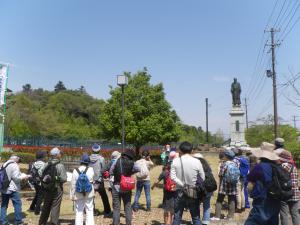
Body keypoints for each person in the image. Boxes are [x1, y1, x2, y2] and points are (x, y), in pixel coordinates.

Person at [244, 142, 281, 225]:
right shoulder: (277, 166)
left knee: (253, 221)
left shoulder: (260, 166)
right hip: (276, 198)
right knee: (272, 221)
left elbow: (249, 178)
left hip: (263, 198)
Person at [170, 141, 205, 225]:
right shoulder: (197, 161)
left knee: (177, 217)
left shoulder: (175, 161)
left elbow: (172, 177)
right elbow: (202, 177)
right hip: (192, 191)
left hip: (179, 191)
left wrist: (182, 184)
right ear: (192, 150)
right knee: (196, 217)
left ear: (180, 150)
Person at [39, 147, 67, 225]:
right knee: (55, 206)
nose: (60, 154)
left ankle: (42, 222)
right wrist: (56, 178)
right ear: (57, 155)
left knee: (46, 205)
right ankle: (54, 223)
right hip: (57, 188)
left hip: (47, 188)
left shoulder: (47, 164)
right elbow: (64, 179)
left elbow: (40, 173)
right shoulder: (60, 165)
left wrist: (46, 181)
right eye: (59, 153)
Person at [0, 155, 30, 225]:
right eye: (18, 160)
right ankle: (18, 221)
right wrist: (24, 177)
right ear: (16, 159)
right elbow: (16, 178)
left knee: (4, 205)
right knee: (17, 204)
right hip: (12, 188)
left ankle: (2, 221)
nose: (19, 162)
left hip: (4, 187)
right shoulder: (14, 165)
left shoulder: (5, 164)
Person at [211, 149, 239, 221]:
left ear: (226, 156)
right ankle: (230, 216)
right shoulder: (235, 163)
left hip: (224, 184)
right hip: (233, 184)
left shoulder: (225, 164)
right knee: (231, 200)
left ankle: (217, 216)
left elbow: (221, 174)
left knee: (219, 200)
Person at [112, 149, 137, 225]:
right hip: (127, 186)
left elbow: (111, 171)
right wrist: (131, 172)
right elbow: (138, 168)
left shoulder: (117, 160)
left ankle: (116, 223)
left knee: (116, 208)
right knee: (128, 206)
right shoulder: (132, 162)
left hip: (116, 185)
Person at [276, 150, 300, 225]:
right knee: (295, 214)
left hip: (285, 193)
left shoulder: (282, 166)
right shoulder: (294, 167)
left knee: (284, 214)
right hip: (295, 194)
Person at [70, 154, 95, 225]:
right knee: (89, 209)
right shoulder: (91, 170)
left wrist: (72, 195)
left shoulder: (75, 170)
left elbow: (73, 184)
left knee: (79, 210)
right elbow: (92, 180)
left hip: (78, 192)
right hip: (89, 192)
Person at [89, 144, 111, 216]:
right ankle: (107, 211)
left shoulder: (89, 158)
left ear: (92, 150)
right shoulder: (101, 159)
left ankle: (91, 211)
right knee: (104, 195)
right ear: (99, 150)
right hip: (99, 179)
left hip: (91, 179)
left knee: (91, 196)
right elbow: (104, 169)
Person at [193, 153, 215, 225]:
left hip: (199, 188)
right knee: (207, 205)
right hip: (208, 188)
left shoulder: (195, 165)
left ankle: (196, 221)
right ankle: (206, 221)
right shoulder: (207, 166)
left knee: (196, 205)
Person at [28, 150, 47, 215]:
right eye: (45, 155)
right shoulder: (44, 164)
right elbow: (43, 174)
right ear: (42, 157)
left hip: (35, 182)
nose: (46, 156)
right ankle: (37, 210)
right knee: (40, 196)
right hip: (41, 182)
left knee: (38, 194)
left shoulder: (34, 164)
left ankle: (32, 207)